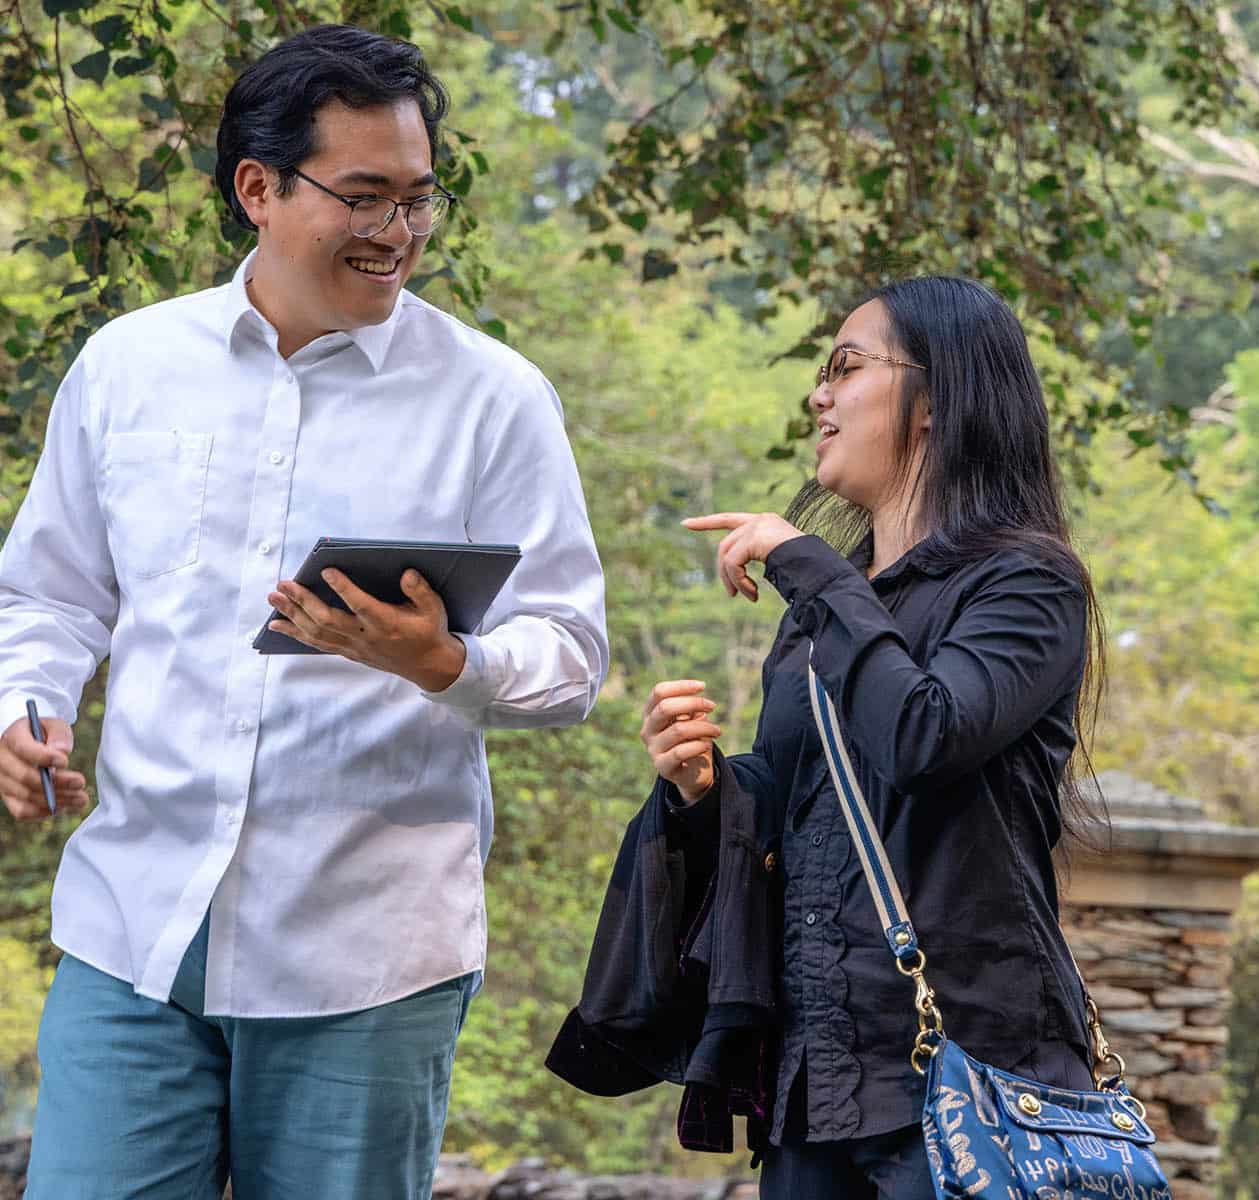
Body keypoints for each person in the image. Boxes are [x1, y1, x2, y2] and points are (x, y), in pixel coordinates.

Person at [0, 24, 608, 1199]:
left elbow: (572, 657)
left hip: (366, 961)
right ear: (259, 190)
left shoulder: (495, 401)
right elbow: (49, 591)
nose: (398, 233)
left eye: (420, 200)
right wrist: (25, 708)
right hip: (134, 932)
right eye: (365, 196)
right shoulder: (128, 368)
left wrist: (446, 662)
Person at [639, 276, 1106, 1198]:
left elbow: (926, 734)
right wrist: (701, 789)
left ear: (935, 400)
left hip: (973, 1080)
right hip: (818, 1077)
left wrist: (806, 565)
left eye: (846, 367)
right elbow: (787, 818)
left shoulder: (1026, 584)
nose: (819, 395)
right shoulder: (826, 608)